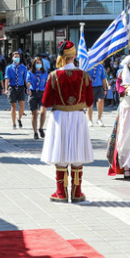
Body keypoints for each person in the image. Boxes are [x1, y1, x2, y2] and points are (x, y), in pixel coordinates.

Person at [41, 41, 94, 202]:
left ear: (61, 56)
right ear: (75, 56)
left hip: (60, 117)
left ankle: (61, 192)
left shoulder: (54, 76)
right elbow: (90, 101)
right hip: (78, 117)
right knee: (77, 152)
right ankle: (77, 192)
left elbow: (46, 102)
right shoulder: (84, 75)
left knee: (60, 153)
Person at [26, 57, 49, 140]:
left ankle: (41, 128)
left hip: (42, 93)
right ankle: (35, 132)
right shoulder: (30, 72)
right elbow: (28, 81)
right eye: (36, 63)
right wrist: (28, 88)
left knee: (43, 112)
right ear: (34, 64)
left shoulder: (45, 73)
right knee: (34, 114)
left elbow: (47, 82)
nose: (38, 64)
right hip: (33, 93)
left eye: (39, 62)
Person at [4, 51, 28, 129]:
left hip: (21, 88)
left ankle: (19, 119)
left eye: (18, 57)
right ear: (12, 58)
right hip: (12, 87)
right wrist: (6, 89)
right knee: (13, 106)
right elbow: (7, 79)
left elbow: (25, 79)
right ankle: (14, 123)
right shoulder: (9, 68)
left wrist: (28, 88)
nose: (16, 58)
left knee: (22, 106)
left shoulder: (23, 68)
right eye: (15, 57)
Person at [85, 60, 108, 127]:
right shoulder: (87, 66)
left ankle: (99, 119)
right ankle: (90, 120)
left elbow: (103, 78)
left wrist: (105, 88)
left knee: (101, 101)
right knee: (90, 104)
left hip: (99, 87)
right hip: (90, 87)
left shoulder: (100, 66)